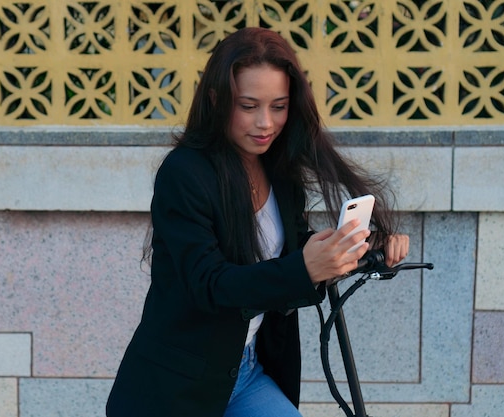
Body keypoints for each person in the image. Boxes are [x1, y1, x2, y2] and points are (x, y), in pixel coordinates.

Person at [106, 27, 409, 417]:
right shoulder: (184, 174)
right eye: (249, 106)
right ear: (217, 100)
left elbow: (292, 249)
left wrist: (361, 245)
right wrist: (304, 267)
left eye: (278, 106)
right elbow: (211, 285)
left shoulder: (277, 170)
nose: (265, 123)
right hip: (174, 390)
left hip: (245, 374)